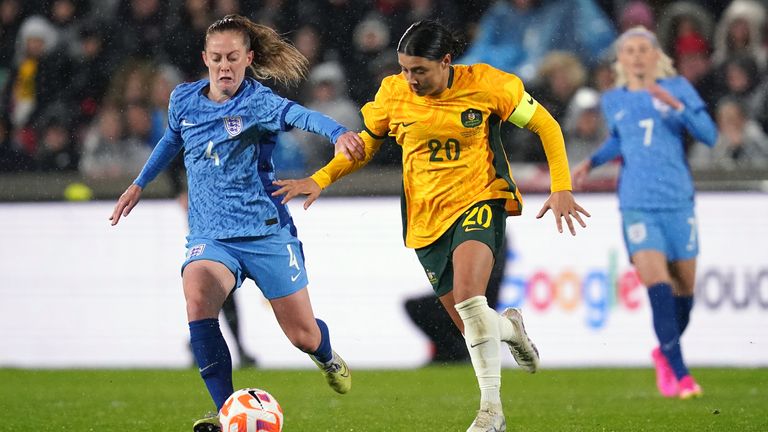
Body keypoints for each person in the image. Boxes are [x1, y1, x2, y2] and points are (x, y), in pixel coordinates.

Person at [273, 20, 589, 432]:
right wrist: (322, 177)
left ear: (446, 61)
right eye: (405, 69)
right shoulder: (393, 93)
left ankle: (491, 412)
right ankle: (510, 328)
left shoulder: (489, 85)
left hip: (480, 200)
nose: (410, 79)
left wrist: (561, 186)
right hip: (426, 219)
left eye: (419, 70)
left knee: (471, 302)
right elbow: (366, 143)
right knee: (470, 326)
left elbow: (545, 124)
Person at [109, 14, 363, 432]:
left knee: (302, 335)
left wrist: (336, 133)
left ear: (248, 58)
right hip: (211, 237)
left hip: (264, 231)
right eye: (216, 58)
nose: (224, 66)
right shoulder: (183, 100)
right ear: (204, 59)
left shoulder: (258, 102)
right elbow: (172, 139)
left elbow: (303, 117)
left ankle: (327, 356)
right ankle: (227, 411)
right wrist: (139, 183)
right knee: (197, 299)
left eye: (232, 57)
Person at [572, 26, 718, 400]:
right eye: (629, 50)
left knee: (685, 292)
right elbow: (622, 139)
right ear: (621, 60)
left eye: (643, 49)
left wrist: (677, 106)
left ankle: (662, 353)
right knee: (659, 286)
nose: (636, 56)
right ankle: (683, 375)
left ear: (656, 56)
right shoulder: (613, 100)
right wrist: (592, 161)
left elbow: (709, 135)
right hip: (637, 202)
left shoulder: (679, 88)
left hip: (678, 200)